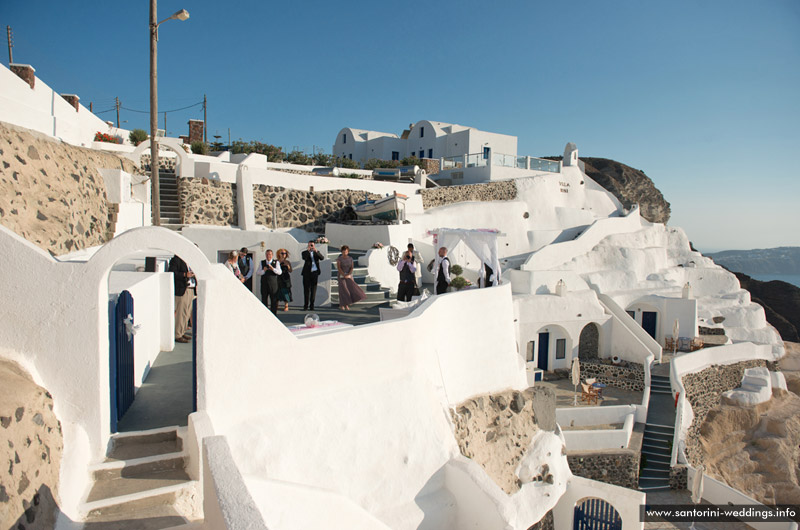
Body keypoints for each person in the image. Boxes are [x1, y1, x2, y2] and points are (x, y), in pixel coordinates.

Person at [168, 254, 194, 343]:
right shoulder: (176, 260)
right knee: (181, 313)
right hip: (182, 290)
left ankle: (182, 332)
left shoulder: (189, 261)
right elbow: (172, 272)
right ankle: (178, 334)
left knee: (187, 312)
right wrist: (185, 274)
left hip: (190, 289)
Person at [336, 245, 366, 310]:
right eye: (344, 251)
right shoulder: (339, 259)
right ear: (342, 251)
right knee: (343, 290)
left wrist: (349, 274)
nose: (345, 252)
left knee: (351, 289)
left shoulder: (350, 258)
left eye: (346, 251)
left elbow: (352, 267)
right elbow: (339, 268)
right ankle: (342, 305)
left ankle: (347, 304)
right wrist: (344, 275)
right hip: (342, 275)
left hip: (349, 275)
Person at [301, 241, 325, 311]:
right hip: (306, 273)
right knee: (306, 290)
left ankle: (312, 305)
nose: (311, 246)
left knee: (313, 290)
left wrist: (316, 251)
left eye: (312, 245)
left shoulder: (316, 252)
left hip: (314, 273)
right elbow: (304, 258)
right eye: (310, 245)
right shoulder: (304, 252)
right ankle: (306, 305)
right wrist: (308, 251)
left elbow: (322, 258)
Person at [257, 249, 282, 314]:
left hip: (273, 284)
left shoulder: (276, 262)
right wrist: (264, 270)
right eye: (267, 254)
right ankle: (265, 314)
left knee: (274, 300)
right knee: (264, 299)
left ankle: (274, 314)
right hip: (264, 284)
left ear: (272, 255)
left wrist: (273, 269)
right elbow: (258, 273)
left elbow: (279, 272)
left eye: (270, 254)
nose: (268, 256)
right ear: (265, 255)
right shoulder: (262, 262)